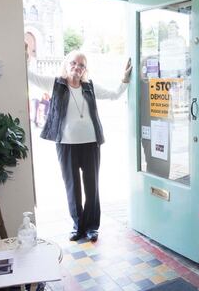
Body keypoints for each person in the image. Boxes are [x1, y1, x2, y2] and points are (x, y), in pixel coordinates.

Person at [40, 50, 131, 242]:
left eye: (81, 65)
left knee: (92, 186)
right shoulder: (57, 84)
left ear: (85, 69)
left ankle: (91, 227)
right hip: (66, 145)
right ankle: (78, 225)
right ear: (67, 64)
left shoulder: (89, 87)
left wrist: (124, 80)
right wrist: (24, 59)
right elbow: (32, 78)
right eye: (74, 63)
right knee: (72, 187)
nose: (77, 68)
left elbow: (114, 94)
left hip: (90, 144)